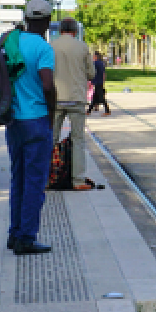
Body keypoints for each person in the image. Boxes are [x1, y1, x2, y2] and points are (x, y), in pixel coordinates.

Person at [4, 0, 58, 252]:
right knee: (35, 181)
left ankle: (14, 232)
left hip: (13, 119)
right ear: (47, 21)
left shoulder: (9, 43)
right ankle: (27, 237)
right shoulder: (43, 48)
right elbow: (47, 84)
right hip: (36, 119)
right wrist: (52, 112)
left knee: (18, 178)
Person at [51, 16, 100, 189]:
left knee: (51, 138)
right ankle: (78, 180)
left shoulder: (51, 46)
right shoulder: (82, 47)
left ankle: (46, 178)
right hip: (77, 98)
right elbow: (91, 73)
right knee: (78, 139)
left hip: (56, 98)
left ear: (59, 30)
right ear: (75, 31)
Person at [88, 50, 111, 116]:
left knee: (101, 98)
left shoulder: (94, 63)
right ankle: (89, 111)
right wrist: (103, 81)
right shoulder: (102, 63)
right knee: (95, 97)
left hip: (97, 82)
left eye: (93, 56)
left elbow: (91, 72)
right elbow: (104, 74)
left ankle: (107, 110)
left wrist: (90, 80)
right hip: (100, 82)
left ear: (95, 57)